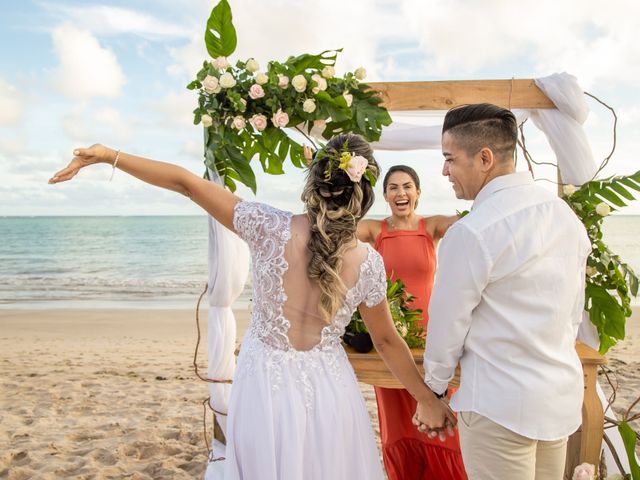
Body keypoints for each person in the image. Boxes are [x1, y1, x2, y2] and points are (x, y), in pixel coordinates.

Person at [49, 133, 457, 480]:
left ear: (313, 182)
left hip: (265, 381)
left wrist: (108, 156)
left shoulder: (267, 225)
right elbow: (386, 341)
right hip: (330, 385)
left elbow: (186, 184)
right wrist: (426, 398)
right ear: (364, 192)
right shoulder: (368, 262)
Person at [418, 104, 590, 479]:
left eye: (449, 159)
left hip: (499, 405)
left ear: (484, 158)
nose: (444, 171)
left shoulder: (473, 232)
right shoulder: (565, 217)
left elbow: (448, 326)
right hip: (556, 399)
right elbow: (572, 314)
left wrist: (432, 393)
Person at [357, 166, 465, 479]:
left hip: (434, 338)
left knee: (446, 417)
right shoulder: (374, 230)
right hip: (390, 338)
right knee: (397, 424)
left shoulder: (431, 226)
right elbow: (334, 230)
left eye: (407, 186)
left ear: (418, 192)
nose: (400, 193)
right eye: (393, 187)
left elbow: (474, 221)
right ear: (385, 195)